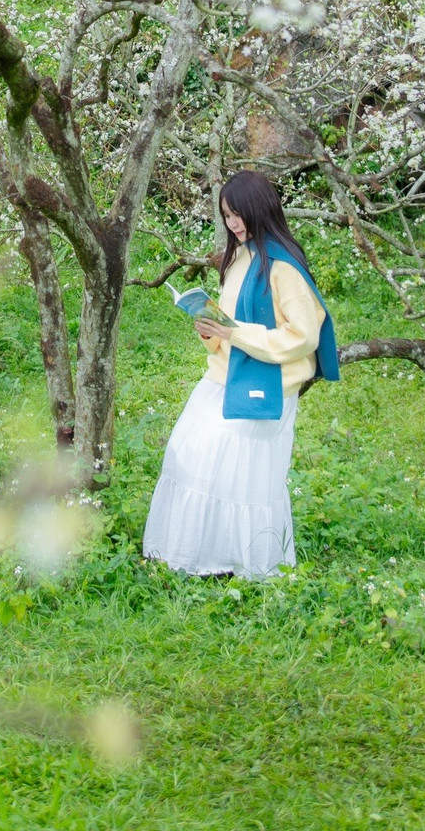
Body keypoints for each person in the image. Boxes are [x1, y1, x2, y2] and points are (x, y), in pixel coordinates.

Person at [142, 169, 338, 579]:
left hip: (266, 384)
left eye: (238, 215)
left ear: (260, 210)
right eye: (227, 216)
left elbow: (302, 336)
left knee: (238, 470)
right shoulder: (238, 259)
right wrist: (210, 329)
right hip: (223, 374)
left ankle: (242, 561)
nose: (233, 224)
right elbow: (229, 323)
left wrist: (232, 332)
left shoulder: (284, 268)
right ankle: (196, 555)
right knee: (187, 454)